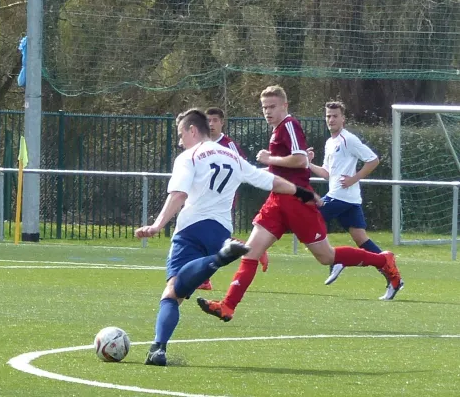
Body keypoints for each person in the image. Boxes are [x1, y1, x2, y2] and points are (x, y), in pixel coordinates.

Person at [197, 85, 404, 323]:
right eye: (264, 107)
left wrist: (269, 158)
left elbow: (300, 160)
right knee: (251, 253)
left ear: (285, 106)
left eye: (272, 106)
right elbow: (280, 168)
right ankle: (227, 306)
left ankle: (382, 259)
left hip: (296, 202)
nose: (267, 111)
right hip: (277, 201)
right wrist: (254, 171)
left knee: (326, 257)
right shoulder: (277, 131)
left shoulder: (289, 125)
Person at [134, 108, 319, 366]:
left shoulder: (189, 157)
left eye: (180, 134)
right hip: (221, 230)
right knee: (181, 286)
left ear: (192, 130)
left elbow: (178, 195)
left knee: (172, 292)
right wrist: (302, 192)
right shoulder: (232, 156)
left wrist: (157, 224)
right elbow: (270, 181)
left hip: (191, 228)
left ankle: (158, 348)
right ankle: (219, 257)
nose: (179, 142)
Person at [307, 101, 387, 285]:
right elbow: (327, 174)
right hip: (349, 198)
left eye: (335, 116)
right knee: (361, 238)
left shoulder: (348, 139)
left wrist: (354, 178)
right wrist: (307, 163)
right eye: (328, 116)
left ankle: (337, 259)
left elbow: (373, 160)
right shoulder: (330, 142)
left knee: (311, 219)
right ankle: (392, 273)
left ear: (343, 118)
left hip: (340, 196)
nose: (331, 119)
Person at [195, 107, 269, 291]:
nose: (211, 124)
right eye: (208, 120)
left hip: (223, 199)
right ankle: (252, 248)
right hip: (202, 198)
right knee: (207, 235)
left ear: (222, 122)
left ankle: (205, 279)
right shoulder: (200, 144)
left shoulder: (229, 144)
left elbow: (242, 167)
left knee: (210, 236)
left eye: (215, 120)